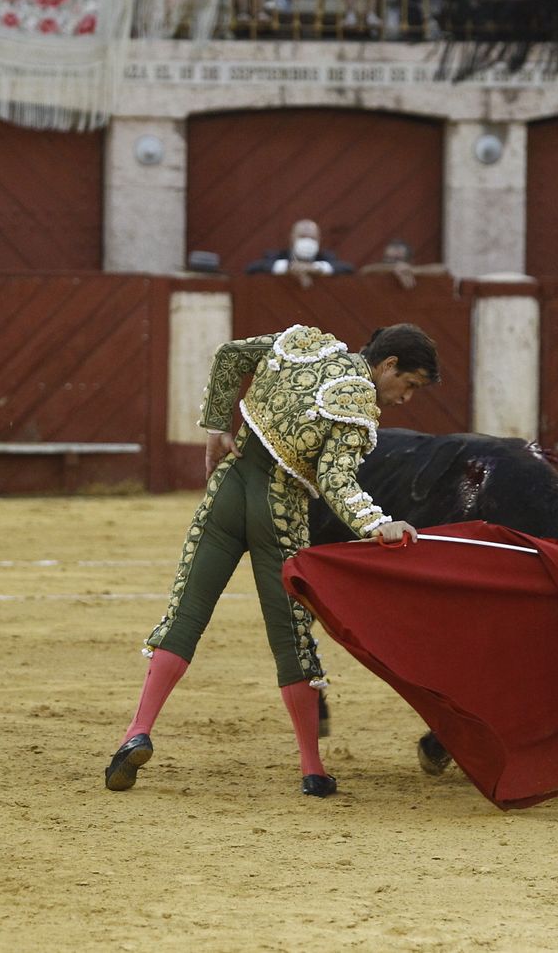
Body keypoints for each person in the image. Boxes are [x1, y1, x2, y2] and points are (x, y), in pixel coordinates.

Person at [103, 323, 440, 798]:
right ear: (388, 366)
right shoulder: (356, 400)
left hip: (227, 487)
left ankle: (136, 731)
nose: (406, 398)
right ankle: (312, 768)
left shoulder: (307, 345)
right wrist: (375, 524)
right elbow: (336, 481)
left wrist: (218, 426)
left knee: (185, 614)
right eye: (409, 384)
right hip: (277, 510)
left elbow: (230, 355)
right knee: (292, 639)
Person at [358, 237, 449, 289]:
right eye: (389, 260)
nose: (395, 263)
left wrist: (413, 270)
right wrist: (393, 268)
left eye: (399, 260)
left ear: (409, 261)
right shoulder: (377, 270)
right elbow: (365, 270)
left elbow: (443, 269)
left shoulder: (412, 269)